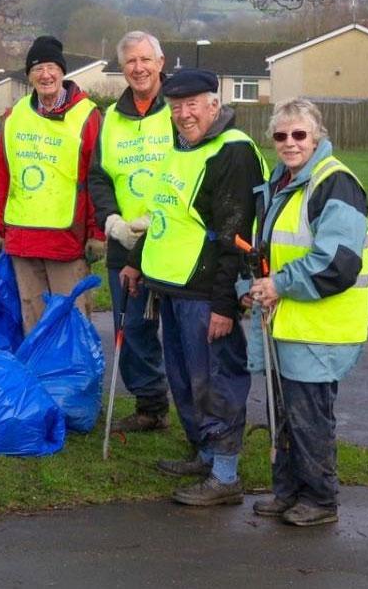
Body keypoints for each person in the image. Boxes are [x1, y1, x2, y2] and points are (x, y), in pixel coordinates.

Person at [120, 68, 266, 506]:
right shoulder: (178, 148)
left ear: (214, 106)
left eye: (192, 105)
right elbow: (167, 214)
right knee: (185, 379)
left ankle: (225, 475)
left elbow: (234, 236)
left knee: (216, 381)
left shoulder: (232, 153)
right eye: (176, 106)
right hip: (171, 285)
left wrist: (225, 304)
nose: (183, 114)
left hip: (206, 293)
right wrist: (135, 261)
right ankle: (204, 452)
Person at [247, 98, 368, 527]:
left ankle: (319, 499)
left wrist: (279, 284)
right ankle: (288, 492)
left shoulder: (334, 183)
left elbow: (338, 261)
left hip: (322, 327)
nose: (290, 142)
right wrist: (255, 287)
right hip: (287, 323)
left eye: (299, 134)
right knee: (285, 416)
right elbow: (272, 250)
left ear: (317, 135)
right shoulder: (283, 182)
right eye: (281, 135)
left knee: (309, 419)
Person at [87, 31, 171, 433]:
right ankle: (150, 403)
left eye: (145, 60)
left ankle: (198, 408)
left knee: (181, 328)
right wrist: (112, 221)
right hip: (126, 240)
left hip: (173, 238)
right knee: (131, 324)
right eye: (130, 62)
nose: (138, 68)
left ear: (160, 62)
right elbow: (98, 177)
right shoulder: (111, 119)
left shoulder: (180, 108)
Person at [0, 35, 104, 334]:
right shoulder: (15, 117)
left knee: (73, 324)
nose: (45, 75)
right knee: (34, 321)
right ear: (29, 75)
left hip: (68, 240)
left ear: (62, 71)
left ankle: (76, 381)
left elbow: (97, 178)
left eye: (52, 67)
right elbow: (3, 174)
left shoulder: (87, 116)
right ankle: (39, 380)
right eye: (37, 68)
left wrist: (97, 232)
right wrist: (0, 228)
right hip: (23, 240)